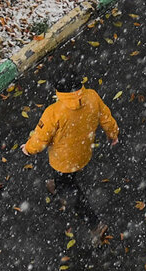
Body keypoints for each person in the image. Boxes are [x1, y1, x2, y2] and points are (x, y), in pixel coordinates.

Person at [22, 70, 119, 240]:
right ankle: (59, 185)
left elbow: (41, 138)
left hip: (62, 160)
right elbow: (106, 118)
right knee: (69, 176)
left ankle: (95, 224)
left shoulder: (55, 112)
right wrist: (113, 134)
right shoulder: (92, 97)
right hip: (83, 152)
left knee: (70, 190)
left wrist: (28, 149)